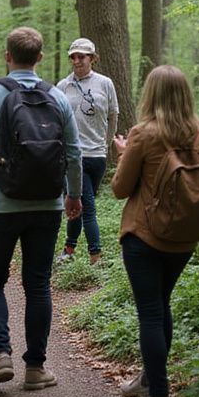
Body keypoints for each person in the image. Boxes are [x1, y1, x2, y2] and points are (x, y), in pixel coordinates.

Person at [111, 65, 199, 397]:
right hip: (184, 240)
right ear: (185, 95)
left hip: (144, 236)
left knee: (150, 313)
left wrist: (123, 153)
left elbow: (121, 189)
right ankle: (149, 382)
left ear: (150, 95)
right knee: (160, 306)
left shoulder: (143, 134)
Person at [0, 26, 83, 390]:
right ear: (41, 58)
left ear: (7, 55)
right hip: (47, 204)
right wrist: (73, 195)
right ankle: (36, 369)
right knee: (38, 284)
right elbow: (74, 152)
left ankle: (0, 354)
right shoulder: (57, 97)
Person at [56, 37, 119, 265]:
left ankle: (69, 250)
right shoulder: (63, 86)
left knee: (79, 203)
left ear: (92, 58)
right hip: (74, 156)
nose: (76, 60)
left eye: (81, 56)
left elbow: (113, 114)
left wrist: (107, 141)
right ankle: (96, 255)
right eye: (73, 56)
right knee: (87, 205)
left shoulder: (105, 83)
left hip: (98, 156)